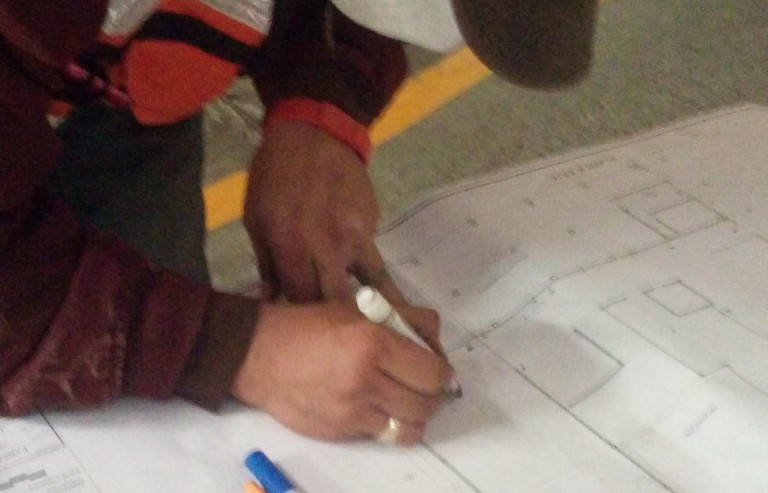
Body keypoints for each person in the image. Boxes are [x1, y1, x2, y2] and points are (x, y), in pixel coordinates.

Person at [0, 0, 598, 446]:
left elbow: (324, 13)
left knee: (142, 399)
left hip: (135, 78)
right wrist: (232, 349)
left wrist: (319, 109)